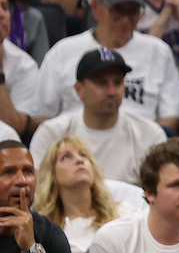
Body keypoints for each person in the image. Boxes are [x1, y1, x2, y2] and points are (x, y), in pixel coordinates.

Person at [34, 0, 179, 132]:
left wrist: (145, 140)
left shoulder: (158, 51)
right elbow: (39, 116)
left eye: (133, 12)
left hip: (140, 148)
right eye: (118, 10)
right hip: (78, 147)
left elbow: (174, 115)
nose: (125, 20)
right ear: (95, 7)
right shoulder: (63, 51)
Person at [29, 49, 166, 187]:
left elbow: (159, 193)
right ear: (79, 89)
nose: (112, 92)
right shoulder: (51, 133)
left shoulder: (150, 135)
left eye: (117, 83)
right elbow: (40, 193)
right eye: (101, 83)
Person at [33, 135, 140, 253]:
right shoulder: (45, 231)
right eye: (66, 157)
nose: (79, 160)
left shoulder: (124, 213)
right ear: (52, 174)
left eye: (83, 155)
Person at [0, 140, 78, 253]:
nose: (22, 181)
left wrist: (31, 248)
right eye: (8, 172)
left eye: (28, 172)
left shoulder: (50, 232)